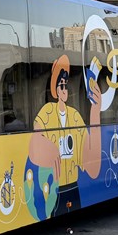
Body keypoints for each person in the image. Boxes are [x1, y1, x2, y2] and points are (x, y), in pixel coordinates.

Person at [28, 54, 102, 217]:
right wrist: (46, 146)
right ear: (55, 90)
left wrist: (95, 112)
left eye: (66, 85)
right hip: (53, 189)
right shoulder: (47, 112)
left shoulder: (75, 116)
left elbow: (93, 168)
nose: (64, 90)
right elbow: (34, 141)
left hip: (73, 188)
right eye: (61, 85)